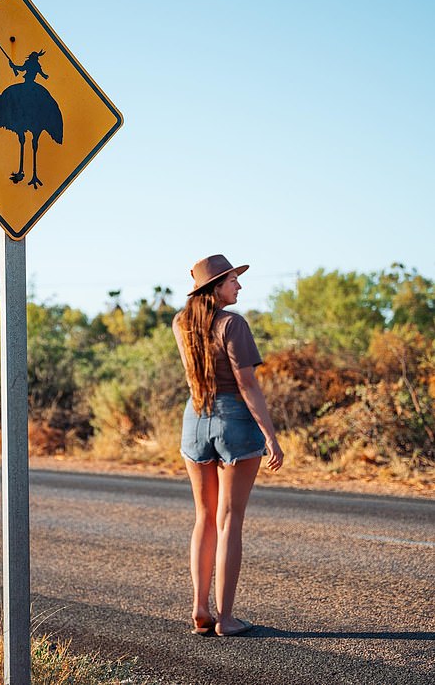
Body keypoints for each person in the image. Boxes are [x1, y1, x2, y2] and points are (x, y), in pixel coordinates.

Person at [172, 254, 284, 637]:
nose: (239, 286)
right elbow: (248, 384)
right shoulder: (232, 323)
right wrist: (270, 435)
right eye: (233, 280)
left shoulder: (181, 322)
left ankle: (200, 608)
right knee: (230, 519)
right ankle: (226, 618)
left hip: (195, 418)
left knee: (204, 516)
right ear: (215, 287)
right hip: (234, 418)